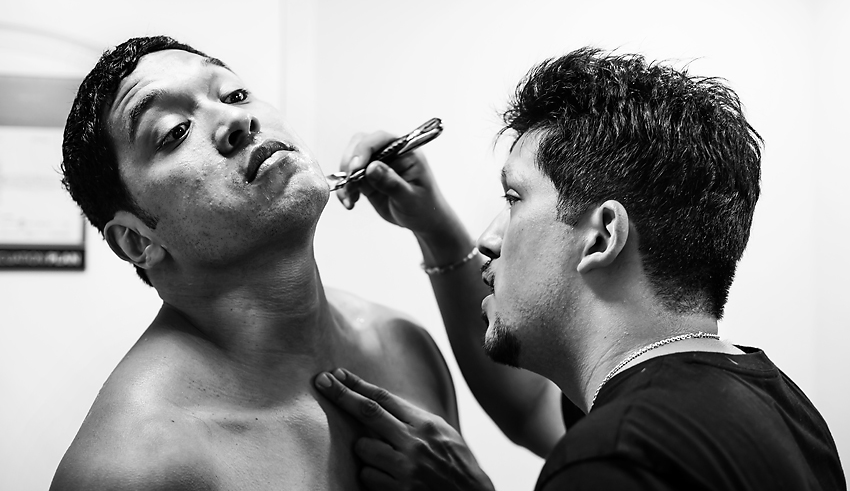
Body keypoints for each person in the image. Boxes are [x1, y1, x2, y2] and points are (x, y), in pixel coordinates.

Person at [315, 47, 846, 490]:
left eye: (514, 197)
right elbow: (531, 410)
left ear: (602, 236)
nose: (488, 240)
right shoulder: (778, 406)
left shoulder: (612, 460)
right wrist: (433, 226)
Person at [51, 35, 458, 491]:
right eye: (174, 132)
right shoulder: (132, 467)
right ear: (135, 239)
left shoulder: (405, 348)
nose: (237, 118)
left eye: (235, 94)